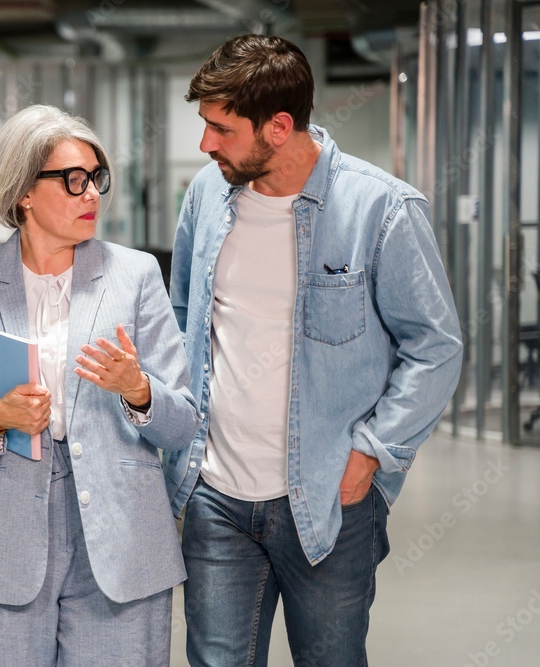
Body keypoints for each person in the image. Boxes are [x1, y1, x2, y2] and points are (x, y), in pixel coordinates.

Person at [164, 34, 463, 667]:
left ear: (278, 127)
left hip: (328, 499)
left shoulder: (381, 209)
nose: (205, 143)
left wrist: (373, 452)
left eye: (221, 128)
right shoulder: (206, 196)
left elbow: (435, 347)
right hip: (214, 493)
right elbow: (184, 316)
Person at [0, 104, 200, 666]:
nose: (91, 193)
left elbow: (184, 423)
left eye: (96, 178)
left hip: (121, 537)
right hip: (6, 537)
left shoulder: (135, 275)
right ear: (24, 191)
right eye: (74, 180)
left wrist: (138, 389)